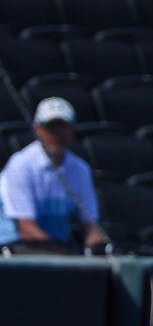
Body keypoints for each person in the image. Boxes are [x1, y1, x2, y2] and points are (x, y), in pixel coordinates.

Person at [0, 97, 103, 253]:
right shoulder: (20, 165)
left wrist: (96, 249)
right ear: (37, 129)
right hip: (14, 252)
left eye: (62, 126)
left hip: (55, 251)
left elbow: (91, 225)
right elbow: (26, 229)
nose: (57, 134)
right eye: (50, 127)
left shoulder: (80, 169)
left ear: (72, 129)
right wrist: (63, 256)